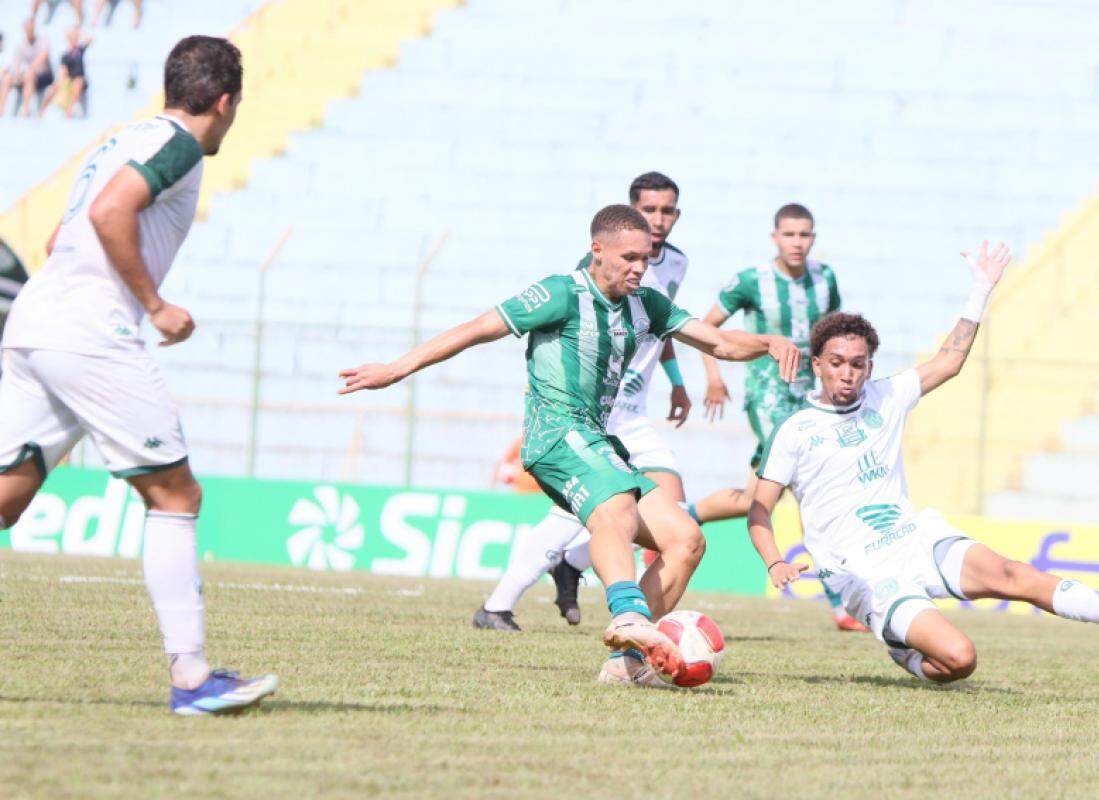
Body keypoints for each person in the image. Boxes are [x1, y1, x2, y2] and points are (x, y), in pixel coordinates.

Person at [340, 204, 800, 686]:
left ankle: (628, 665)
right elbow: (475, 330)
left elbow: (719, 343)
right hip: (555, 434)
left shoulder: (648, 303)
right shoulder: (561, 292)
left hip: (598, 439)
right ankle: (627, 616)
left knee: (685, 540)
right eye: (629, 258)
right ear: (596, 250)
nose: (640, 268)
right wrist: (396, 368)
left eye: (645, 259)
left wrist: (767, 341)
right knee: (616, 502)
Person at [0, 35, 278, 715]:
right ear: (226, 100)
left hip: (39, 320)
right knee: (176, 496)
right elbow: (107, 212)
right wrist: (154, 304)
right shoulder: (179, 144)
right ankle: (191, 678)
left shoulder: (122, 138)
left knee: (5, 499)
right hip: (91, 331)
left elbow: (64, 233)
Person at [749, 242, 1099, 684]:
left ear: (869, 366)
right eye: (837, 363)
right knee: (960, 659)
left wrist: (981, 288)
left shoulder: (886, 396)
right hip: (864, 574)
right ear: (818, 364)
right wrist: (775, 562)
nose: (848, 373)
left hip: (914, 538)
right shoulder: (797, 430)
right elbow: (759, 508)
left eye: (858, 364)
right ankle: (907, 653)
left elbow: (950, 361)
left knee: (1009, 573)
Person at [473, 171, 691, 632]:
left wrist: (675, 380)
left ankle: (571, 572)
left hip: (634, 407)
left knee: (666, 515)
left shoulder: (670, 266)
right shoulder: (599, 268)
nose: (658, 220)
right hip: (598, 413)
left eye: (667, 210)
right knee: (607, 505)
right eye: (648, 210)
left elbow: (660, 325)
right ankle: (510, 600)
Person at [689, 203, 865, 631]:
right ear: (775, 238)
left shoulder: (825, 278)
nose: (797, 243)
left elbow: (837, 333)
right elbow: (706, 327)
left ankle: (681, 516)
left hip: (808, 396)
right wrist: (713, 376)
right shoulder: (752, 281)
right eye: (789, 235)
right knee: (809, 485)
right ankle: (840, 604)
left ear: (813, 238)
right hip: (767, 397)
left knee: (758, 500)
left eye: (805, 235)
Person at [0, 18, 53, 117]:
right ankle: (1, 110)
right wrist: (16, 74)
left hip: (43, 76)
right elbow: (16, 62)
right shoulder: (21, 44)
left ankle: (25, 111)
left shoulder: (43, 41)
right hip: (26, 75)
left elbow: (43, 56)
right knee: (7, 78)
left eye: (31, 28)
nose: (29, 30)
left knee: (29, 75)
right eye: (27, 28)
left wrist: (29, 69)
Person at [39, 26, 91, 118]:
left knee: (78, 81)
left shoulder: (80, 50)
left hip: (80, 80)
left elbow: (90, 39)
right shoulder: (65, 55)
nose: (74, 39)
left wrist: (79, 32)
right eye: (72, 37)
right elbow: (63, 71)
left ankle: (70, 110)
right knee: (55, 87)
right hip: (70, 80)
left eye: (75, 37)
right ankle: (42, 109)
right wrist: (60, 83)